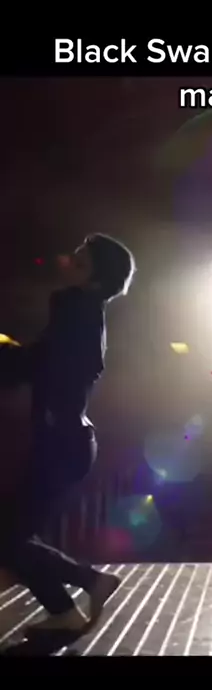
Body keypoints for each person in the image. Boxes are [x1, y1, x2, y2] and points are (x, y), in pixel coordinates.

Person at [0, 233, 136, 637]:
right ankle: (68, 608)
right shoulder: (80, 312)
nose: (70, 260)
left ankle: (87, 585)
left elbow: (43, 364)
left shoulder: (76, 312)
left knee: (8, 538)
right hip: (65, 442)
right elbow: (44, 363)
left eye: (81, 259)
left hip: (62, 444)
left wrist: (9, 355)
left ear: (96, 279)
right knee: (11, 537)